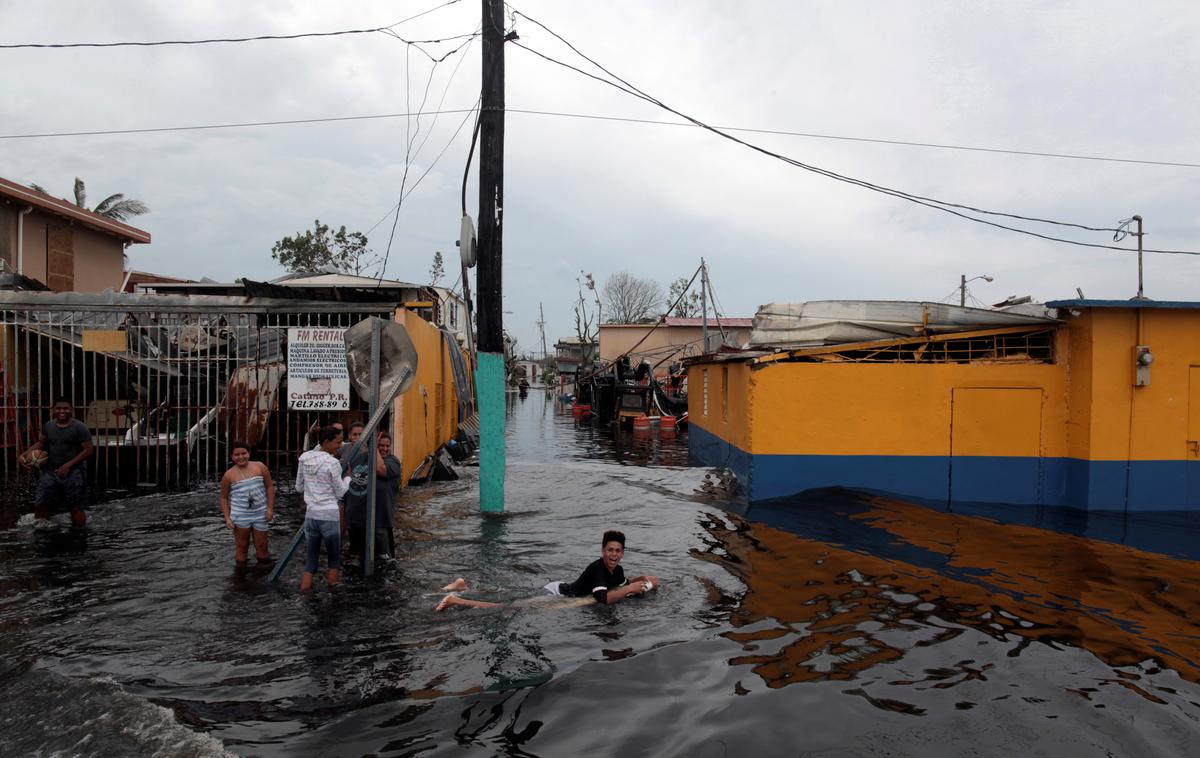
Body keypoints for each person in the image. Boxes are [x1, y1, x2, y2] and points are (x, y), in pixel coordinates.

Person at [436, 530, 661, 611]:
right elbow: (604, 598)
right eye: (610, 550)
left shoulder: (618, 570)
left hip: (562, 589)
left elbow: (622, 585)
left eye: (618, 551)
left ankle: (463, 587)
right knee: (507, 606)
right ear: (602, 551)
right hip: (556, 593)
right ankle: (457, 600)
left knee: (509, 597)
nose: (613, 555)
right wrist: (631, 588)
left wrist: (643, 579)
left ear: (622, 553)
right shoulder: (597, 568)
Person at [18, 397, 94, 527]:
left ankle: (80, 533)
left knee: (75, 507)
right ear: (53, 410)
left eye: (65, 408)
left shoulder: (80, 427)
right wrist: (23, 455)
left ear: (71, 410)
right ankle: (41, 531)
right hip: (50, 471)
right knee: (42, 502)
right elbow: (41, 443)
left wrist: (67, 466)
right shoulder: (48, 426)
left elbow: (88, 450)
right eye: (58, 408)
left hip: (74, 472)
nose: (62, 411)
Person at [295, 425, 350, 590]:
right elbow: (340, 491)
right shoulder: (333, 463)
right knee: (334, 561)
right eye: (338, 442)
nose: (340, 446)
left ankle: (304, 595)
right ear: (326, 442)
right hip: (329, 516)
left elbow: (299, 487)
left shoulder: (304, 459)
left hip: (311, 516)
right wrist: (348, 478)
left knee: (311, 562)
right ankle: (333, 598)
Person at [344, 431, 403, 562]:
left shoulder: (393, 462)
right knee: (355, 560)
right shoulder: (359, 458)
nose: (384, 449)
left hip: (380, 521)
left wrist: (374, 447)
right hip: (357, 521)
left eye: (387, 446)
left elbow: (381, 469)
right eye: (381, 445)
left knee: (384, 563)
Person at [218, 441, 275, 565]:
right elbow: (223, 498)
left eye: (243, 453)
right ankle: (240, 579)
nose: (240, 457)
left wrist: (270, 509)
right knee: (242, 548)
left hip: (260, 513)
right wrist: (227, 518)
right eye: (236, 454)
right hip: (240, 516)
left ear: (249, 454)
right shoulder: (229, 475)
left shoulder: (260, 466)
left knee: (262, 546)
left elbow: (269, 487)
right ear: (232, 457)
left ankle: (263, 575)